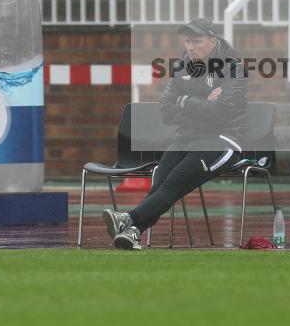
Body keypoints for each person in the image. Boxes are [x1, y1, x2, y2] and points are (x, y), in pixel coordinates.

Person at [103, 18, 247, 250]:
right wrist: (198, 103)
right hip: (187, 136)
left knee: (177, 180)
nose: (190, 47)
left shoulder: (233, 67)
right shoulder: (183, 63)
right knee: (161, 180)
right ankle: (133, 232)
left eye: (197, 41)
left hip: (222, 140)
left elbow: (219, 113)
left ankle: (129, 220)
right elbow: (167, 111)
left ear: (212, 41)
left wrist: (185, 102)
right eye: (188, 41)